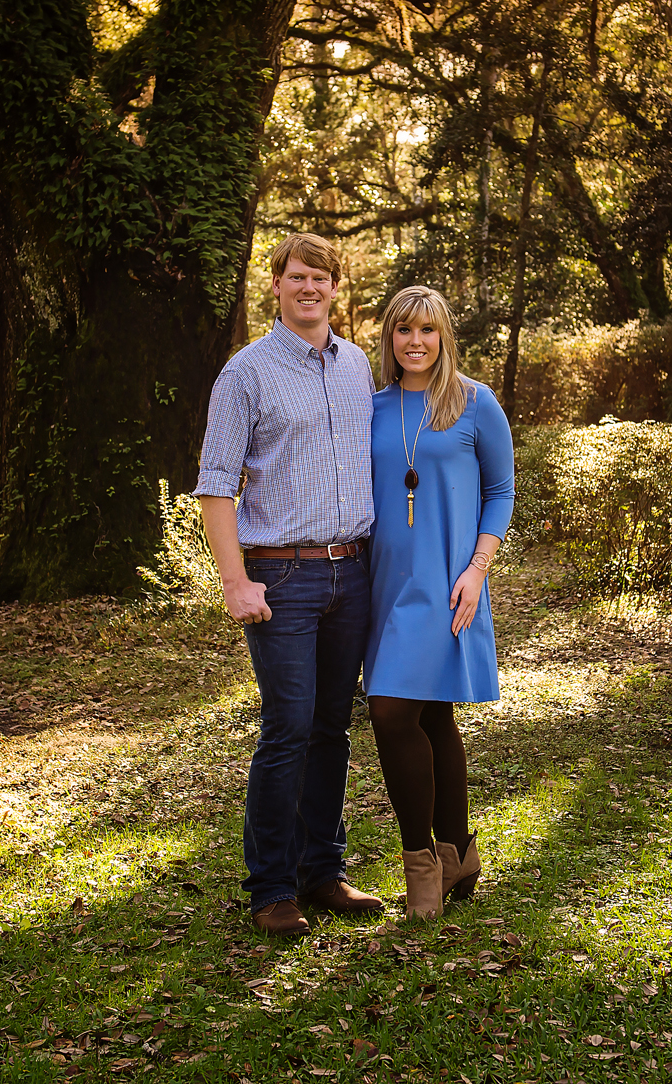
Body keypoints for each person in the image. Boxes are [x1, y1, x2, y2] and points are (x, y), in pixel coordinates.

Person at [194, 232, 385, 938]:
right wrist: (234, 580)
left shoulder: (357, 364)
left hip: (352, 570)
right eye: (297, 276)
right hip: (282, 574)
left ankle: (323, 870)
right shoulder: (244, 373)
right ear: (275, 284)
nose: (310, 287)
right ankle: (272, 887)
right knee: (288, 726)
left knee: (333, 726)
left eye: (322, 277)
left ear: (337, 288)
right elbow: (216, 487)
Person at [366, 285, 514, 920]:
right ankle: (458, 854)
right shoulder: (370, 407)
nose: (416, 342)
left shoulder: (476, 403)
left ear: (444, 336)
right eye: (404, 331)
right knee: (429, 720)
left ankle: (419, 862)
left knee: (392, 713)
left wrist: (478, 569)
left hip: (450, 583)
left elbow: (501, 489)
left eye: (427, 330)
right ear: (390, 340)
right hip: (385, 586)